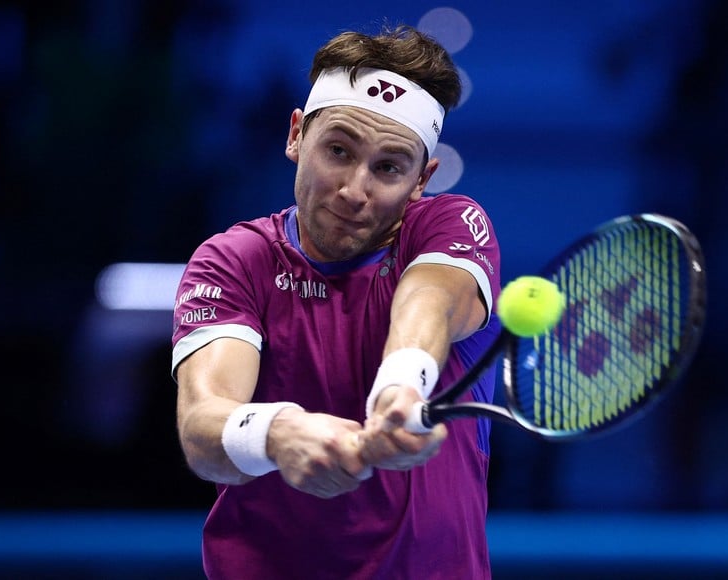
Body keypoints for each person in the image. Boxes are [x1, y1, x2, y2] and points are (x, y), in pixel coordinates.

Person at [172, 24, 501, 579]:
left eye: (388, 168)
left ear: (423, 179)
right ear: (297, 134)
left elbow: (429, 300)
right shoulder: (233, 259)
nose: (354, 190)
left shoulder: (450, 225)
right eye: (339, 151)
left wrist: (401, 385)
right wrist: (276, 433)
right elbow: (203, 427)